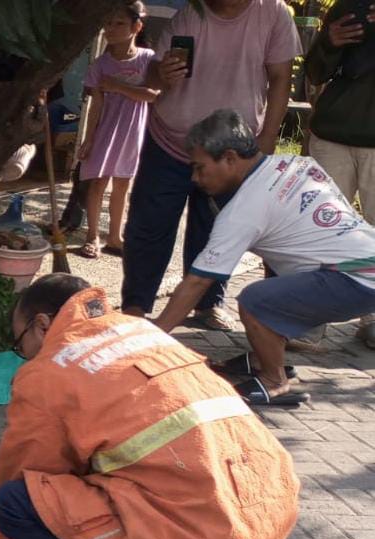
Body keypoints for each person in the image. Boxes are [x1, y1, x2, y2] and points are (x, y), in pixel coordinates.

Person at [0, 274, 298, 539]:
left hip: (206, 534)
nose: (26, 355)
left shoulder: (49, 372)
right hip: (266, 511)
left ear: (43, 324)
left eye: (21, 344)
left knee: (18, 504)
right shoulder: (142, 330)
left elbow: (24, 472)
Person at [151, 109, 375, 405]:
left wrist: (151, 338)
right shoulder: (297, 163)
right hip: (366, 262)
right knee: (277, 287)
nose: (195, 178)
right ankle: (264, 358)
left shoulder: (243, 211)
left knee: (255, 301)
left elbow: (198, 282)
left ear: (230, 158)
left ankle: (274, 380)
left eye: (199, 167)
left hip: (354, 279)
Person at [121, 0, 299, 324]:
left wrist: (268, 137)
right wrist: (162, 73)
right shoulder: (191, 12)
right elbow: (153, 73)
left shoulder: (274, 12)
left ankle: (207, 304)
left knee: (218, 226)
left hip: (230, 154)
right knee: (150, 225)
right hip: (170, 141)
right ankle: (135, 306)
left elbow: (281, 76)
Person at [306, 0, 375, 347]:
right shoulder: (350, 6)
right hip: (334, 135)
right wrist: (329, 41)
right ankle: (312, 317)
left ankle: (373, 318)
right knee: (324, 228)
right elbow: (315, 73)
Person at [78, 2, 160, 259]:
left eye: (119, 23)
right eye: (108, 23)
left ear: (137, 27)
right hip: (105, 129)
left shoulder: (148, 59)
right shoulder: (100, 65)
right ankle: (92, 235)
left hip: (133, 131)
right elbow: (95, 105)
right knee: (98, 183)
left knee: (123, 184)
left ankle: (115, 236)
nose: (111, 29)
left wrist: (117, 86)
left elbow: (152, 95)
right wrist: (88, 138)